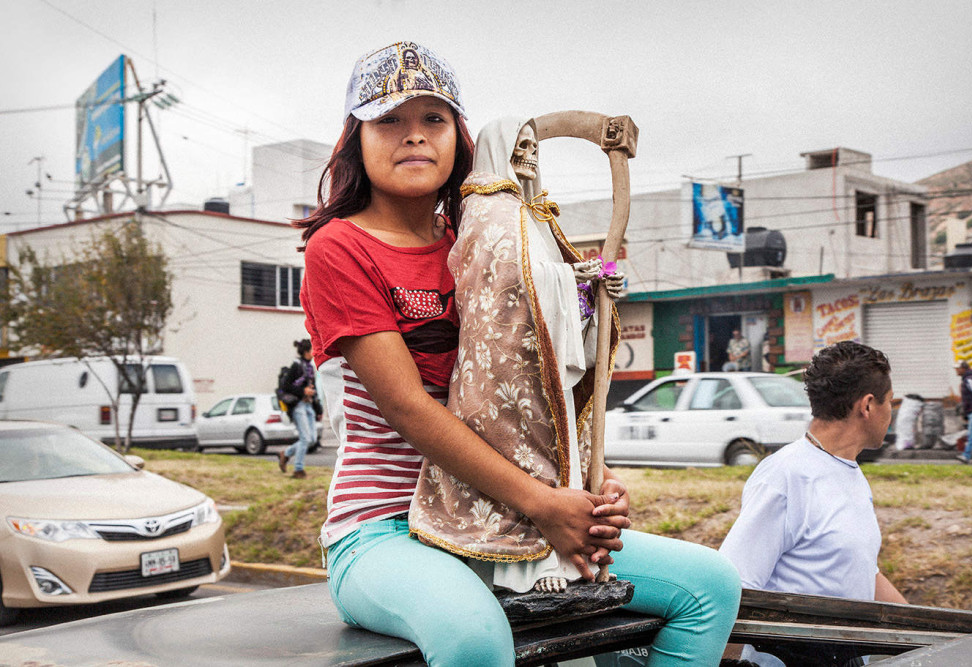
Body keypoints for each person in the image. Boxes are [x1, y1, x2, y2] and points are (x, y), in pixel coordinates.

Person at [295, 41, 741, 666]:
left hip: (503, 515)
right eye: (389, 120)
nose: (413, 137)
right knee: (474, 637)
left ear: (460, 138)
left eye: (433, 119)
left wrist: (584, 485)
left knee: (709, 587)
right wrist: (543, 503)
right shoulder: (339, 248)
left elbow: (533, 387)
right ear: (355, 140)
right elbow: (406, 409)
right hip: (385, 528)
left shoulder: (489, 243)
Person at [409, 116, 625, 593]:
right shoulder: (488, 211)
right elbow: (508, 284)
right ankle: (527, 568)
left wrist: (595, 288)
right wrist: (576, 281)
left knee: (559, 451)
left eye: (532, 145)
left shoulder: (535, 213)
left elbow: (553, 283)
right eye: (518, 145)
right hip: (506, 365)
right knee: (523, 458)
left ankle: (563, 556)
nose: (528, 154)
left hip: (543, 357)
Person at [719, 341, 907, 666]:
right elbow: (735, 586)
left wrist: (929, 633)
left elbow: (859, 569)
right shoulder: (786, 476)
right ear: (868, 405)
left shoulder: (848, 470)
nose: (892, 412)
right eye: (890, 402)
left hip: (845, 655)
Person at [277, 338, 318, 479]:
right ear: (306, 351)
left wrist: (318, 409)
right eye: (312, 349)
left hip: (309, 405)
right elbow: (286, 386)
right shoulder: (296, 366)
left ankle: (286, 453)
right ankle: (298, 470)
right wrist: (303, 391)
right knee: (305, 438)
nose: (314, 352)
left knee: (312, 439)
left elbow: (313, 387)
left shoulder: (310, 367)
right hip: (298, 405)